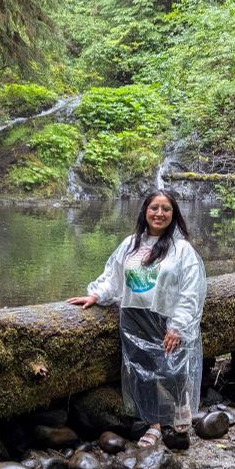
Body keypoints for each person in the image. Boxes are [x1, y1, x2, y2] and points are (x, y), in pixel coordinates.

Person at [68, 189, 206, 448]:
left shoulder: (182, 250)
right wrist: (96, 295)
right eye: (155, 207)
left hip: (165, 318)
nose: (159, 213)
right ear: (145, 211)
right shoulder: (131, 244)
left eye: (166, 209)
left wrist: (177, 325)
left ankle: (180, 409)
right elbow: (114, 277)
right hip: (133, 317)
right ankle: (153, 425)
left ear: (173, 215)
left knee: (173, 370)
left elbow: (191, 290)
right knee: (143, 373)